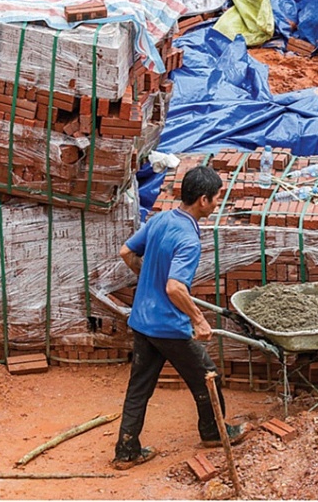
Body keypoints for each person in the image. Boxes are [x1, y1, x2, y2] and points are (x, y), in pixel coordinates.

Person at [112, 166, 247, 470]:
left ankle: (126, 451)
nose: (217, 203)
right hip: (168, 326)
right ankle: (213, 433)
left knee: (139, 388)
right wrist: (198, 319)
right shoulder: (188, 239)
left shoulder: (160, 219)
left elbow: (126, 252)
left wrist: (148, 277)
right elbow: (175, 287)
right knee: (207, 376)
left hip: (142, 320)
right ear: (203, 200)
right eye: (216, 198)